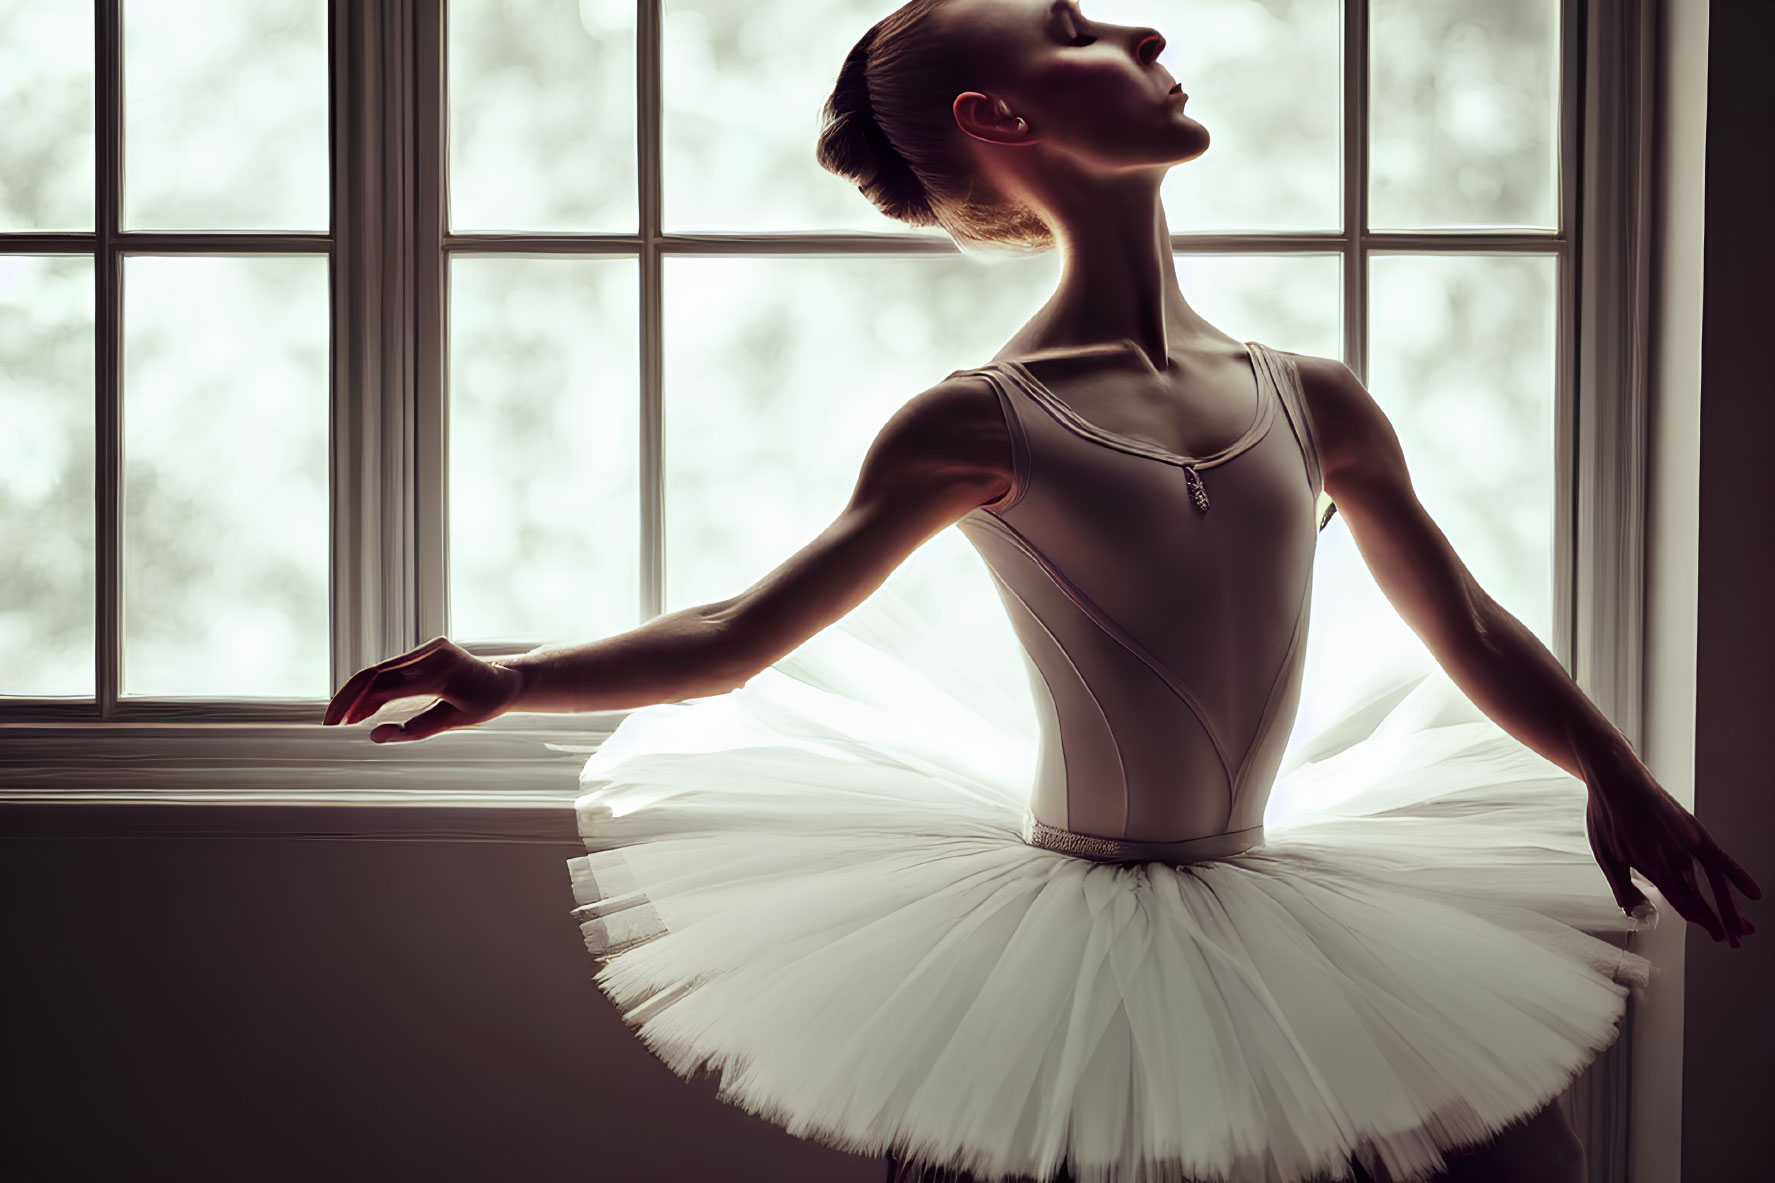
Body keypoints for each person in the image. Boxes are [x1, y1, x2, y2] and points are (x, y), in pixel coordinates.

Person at [324, 2, 1760, 1180]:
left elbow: (1468, 621)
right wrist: (510, 679)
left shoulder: (1312, 398)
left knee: (1525, 1169)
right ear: (1001, 122)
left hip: (1304, 896)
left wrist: (1612, 769)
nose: (1144, 27)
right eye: (1078, 29)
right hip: (1065, 946)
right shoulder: (980, 422)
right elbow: (734, 640)